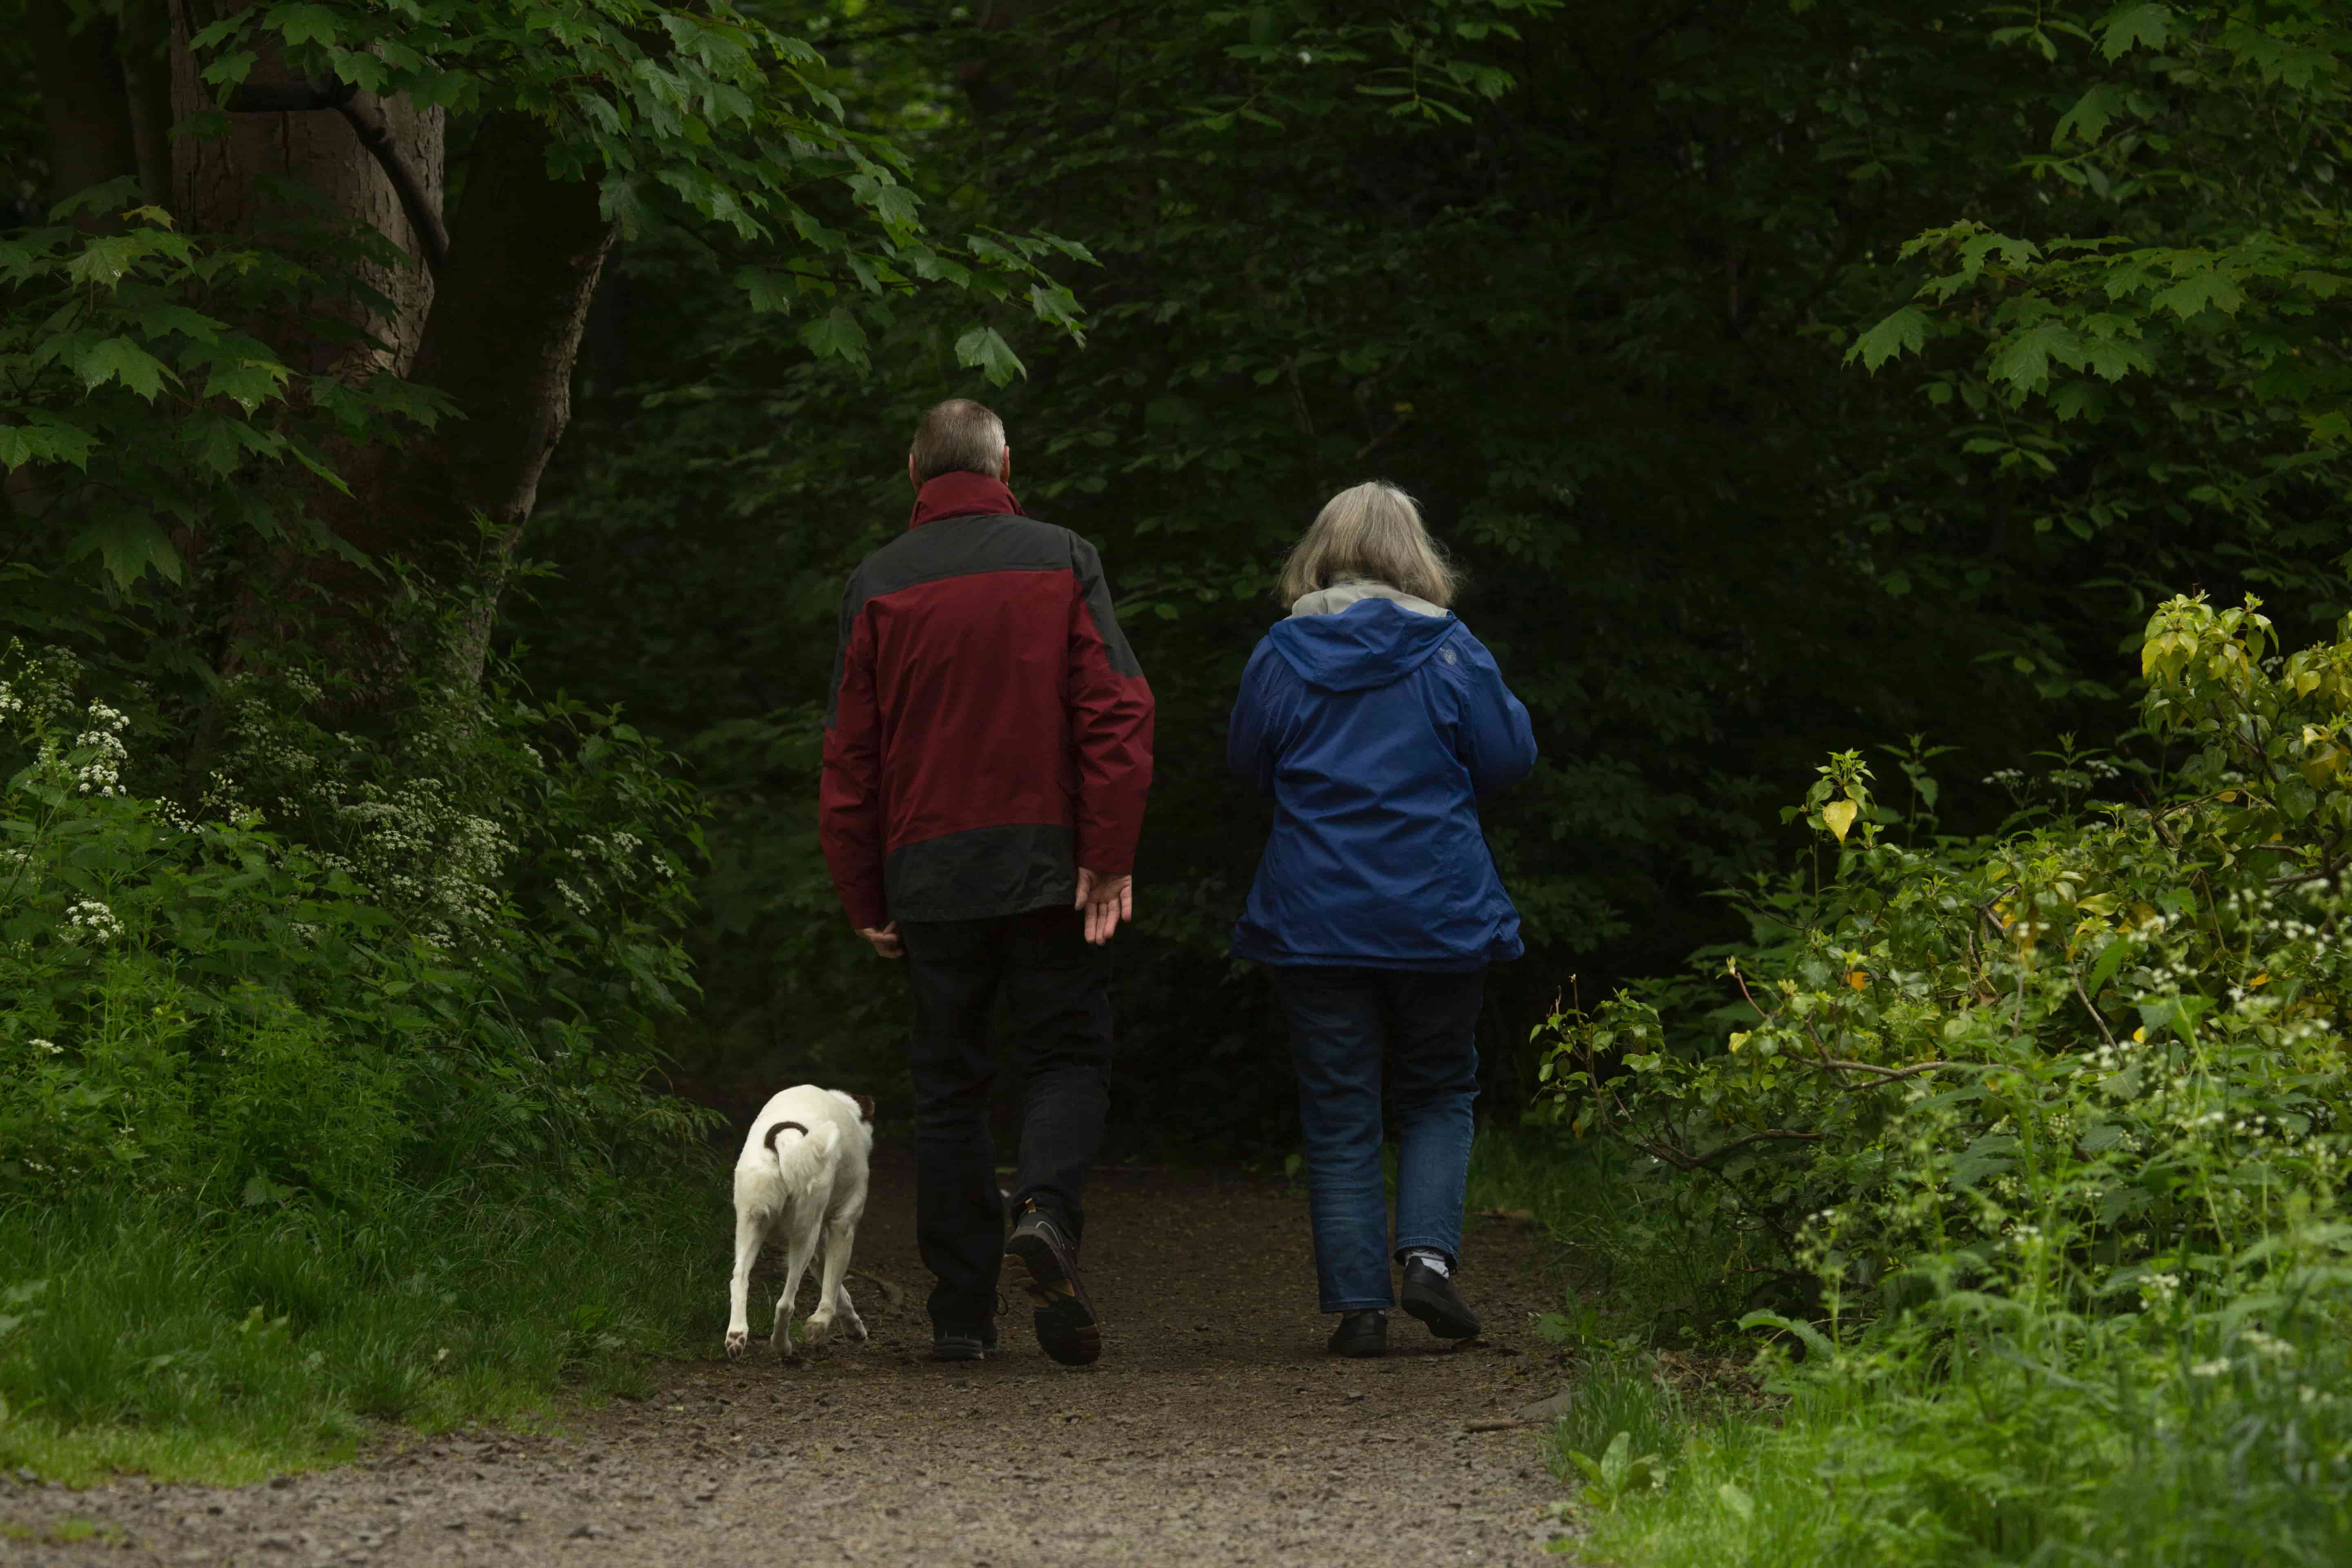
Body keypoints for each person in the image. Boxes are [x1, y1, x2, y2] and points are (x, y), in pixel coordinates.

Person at [819, 399, 1154, 1366]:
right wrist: (1110, 851)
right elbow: (1117, 712)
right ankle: (1045, 1212)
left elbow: (851, 755)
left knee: (949, 1084)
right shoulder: (1061, 557)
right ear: (1007, 460)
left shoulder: (877, 580)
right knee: (1065, 1056)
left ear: (912, 470)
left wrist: (862, 892)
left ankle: (962, 1312)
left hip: (929, 869)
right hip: (1050, 858)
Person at [1227, 481, 1537, 1358]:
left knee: (1338, 1110)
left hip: (1315, 914)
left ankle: (1359, 1309)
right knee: (1439, 1089)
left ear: (1320, 555)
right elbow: (1510, 757)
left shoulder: (1282, 654)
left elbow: (1248, 763)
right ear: (1415, 556)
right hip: (1436, 909)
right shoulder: (1452, 650)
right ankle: (1430, 1263)